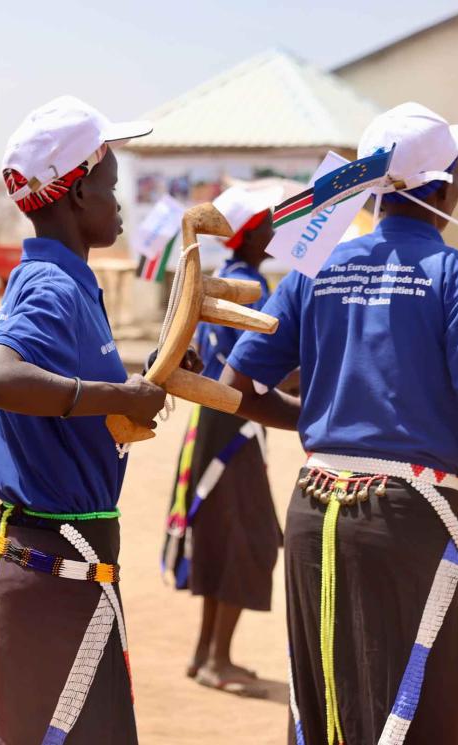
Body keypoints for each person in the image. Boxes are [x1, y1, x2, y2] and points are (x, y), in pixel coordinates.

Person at [223, 102, 458, 745]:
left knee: (324, 702)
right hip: (411, 519)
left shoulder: (317, 269)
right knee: (411, 713)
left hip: (314, 510)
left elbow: (240, 387)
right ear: (446, 185)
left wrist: (322, 424)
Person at [0, 96, 176, 745]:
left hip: (71, 559)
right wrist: (114, 397)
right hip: (48, 568)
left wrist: (138, 381)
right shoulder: (52, 287)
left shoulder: (71, 281)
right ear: (77, 193)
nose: (120, 205)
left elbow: (81, 390)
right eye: (111, 189)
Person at [162, 186, 281, 699]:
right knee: (246, 538)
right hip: (235, 426)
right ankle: (216, 658)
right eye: (270, 224)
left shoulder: (230, 278)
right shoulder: (250, 284)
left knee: (221, 533)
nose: (276, 232)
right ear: (252, 232)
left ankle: (207, 651)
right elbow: (262, 370)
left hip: (214, 424)